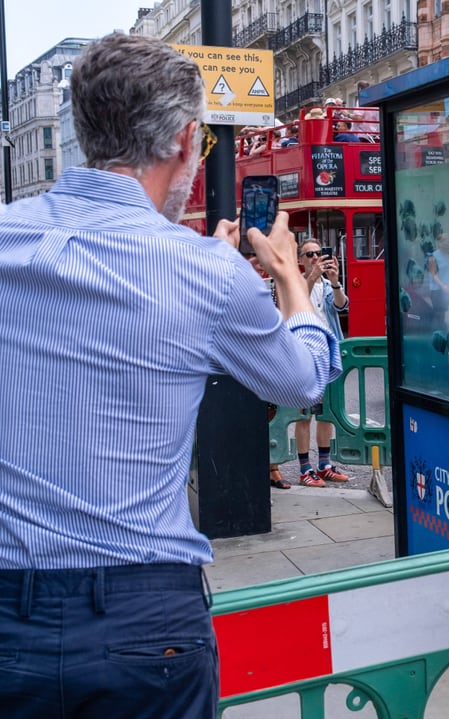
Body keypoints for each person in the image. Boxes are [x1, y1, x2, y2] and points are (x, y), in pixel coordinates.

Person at [0, 33, 341, 718]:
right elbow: (305, 380)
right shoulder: (204, 271)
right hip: (145, 616)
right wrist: (287, 281)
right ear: (187, 142)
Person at [295, 239, 351, 485]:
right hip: (304, 355)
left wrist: (336, 281)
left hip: (329, 354)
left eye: (319, 253)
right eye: (309, 255)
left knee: (326, 413)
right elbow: (297, 302)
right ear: (300, 260)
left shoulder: (328, 285)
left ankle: (324, 464)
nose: (315, 258)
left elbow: (341, 305)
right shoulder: (296, 283)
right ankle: (305, 469)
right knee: (305, 414)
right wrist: (312, 276)